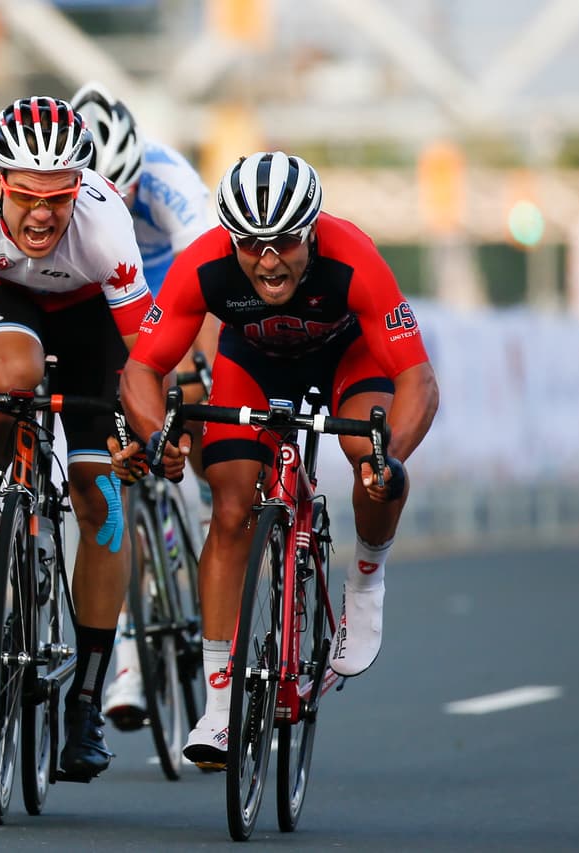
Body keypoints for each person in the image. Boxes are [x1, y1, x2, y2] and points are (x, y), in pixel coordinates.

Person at [113, 150, 440, 768]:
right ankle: (217, 707)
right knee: (231, 507)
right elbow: (142, 368)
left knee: (367, 457)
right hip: (253, 365)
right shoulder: (204, 264)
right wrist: (157, 436)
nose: (268, 260)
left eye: (285, 243)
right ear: (230, 238)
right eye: (251, 244)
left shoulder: (354, 259)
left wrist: (388, 463)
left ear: (311, 232)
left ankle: (367, 583)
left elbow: (419, 382)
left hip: (348, 359)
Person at [0, 96, 153, 780]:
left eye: (60, 197)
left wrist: (137, 430)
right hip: (6, 300)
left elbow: (142, 353)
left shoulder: (107, 225)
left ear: (82, 186)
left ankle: (85, 702)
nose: (44, 214)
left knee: (101, 504)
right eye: (26, 197)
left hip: (92, 328)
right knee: (9, 382)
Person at [68, 81, 219, 733]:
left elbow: (215, 286)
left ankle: (210, 511)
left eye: (122, 190)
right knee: (103, 475)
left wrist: (199, 378)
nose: (114, 203)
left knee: (199, 397)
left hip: (168, 295)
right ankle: (123, 642)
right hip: (98, 302)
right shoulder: (58, 196)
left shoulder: (168, 179)